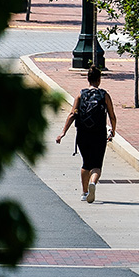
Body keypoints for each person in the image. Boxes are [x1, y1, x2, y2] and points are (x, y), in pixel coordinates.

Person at [55, 66, 117, 204]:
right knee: (96, 165)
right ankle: (93, 183)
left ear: (88, 79)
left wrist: (63, 133)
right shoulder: (104, 95)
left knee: (86, 163)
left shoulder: (80, 94)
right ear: (99, 80)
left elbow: (72, 114)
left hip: (83, 134)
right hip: (99, 134)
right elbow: (112, 116)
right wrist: (113, 130)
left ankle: (84, 192)